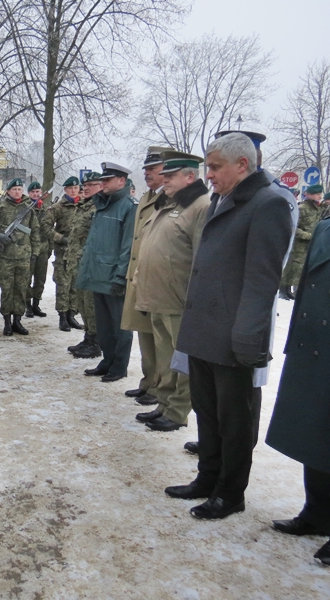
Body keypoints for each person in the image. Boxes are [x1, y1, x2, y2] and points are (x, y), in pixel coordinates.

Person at [166, 133, 292, 520]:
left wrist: (247, 338)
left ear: (242, 165)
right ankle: (208, 478)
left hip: (234, 336)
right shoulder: (224, 198)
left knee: (234, 422)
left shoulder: (268, 205)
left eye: (216, 167)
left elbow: (261, 281)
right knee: (207, 411)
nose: (209, 174)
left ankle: (229, 492)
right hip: (204, 328)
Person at [266, 215, 330, 566]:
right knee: (314, 433)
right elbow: (307, 284)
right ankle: (317, 512)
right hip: (315, 342)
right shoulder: (325, 224)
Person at [132, 152, 211, 432]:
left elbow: (202, 257)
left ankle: (177, 411)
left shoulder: (200, 206)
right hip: (157, 296)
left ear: (190, 176)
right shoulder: (169, 204)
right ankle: (163, 403)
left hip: (180, 299)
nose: (163, 180)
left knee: (183, 361)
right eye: (163, 175)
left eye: (170, 176)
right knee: (165, 358)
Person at [75, 163, 136, 382]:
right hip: (98, 275)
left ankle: (119, 366)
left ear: (121, 181)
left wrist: (121, 277)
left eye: (107, 180)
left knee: (120, 326)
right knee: (104, 325)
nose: (103, 184)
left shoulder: (129, 206)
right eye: (102, 180)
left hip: (113, 277)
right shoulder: (102, 205)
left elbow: (128, 246)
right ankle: (107, 360)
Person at [120, 147, 171, 405]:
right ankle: (148, 382)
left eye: (153, 169)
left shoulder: (171, 200)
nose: (147, 173)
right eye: (146, 169)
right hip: (140, 275)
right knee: (144, 333)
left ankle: (160, 388)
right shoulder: (147, 196)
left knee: (160, 339)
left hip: (158, 278)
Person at [0, 178, 40, 336]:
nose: (17, 192)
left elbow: (35, 231)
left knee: (21, 289)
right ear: (8, 191)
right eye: (14, 189)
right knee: (7, 289)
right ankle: (7, 321)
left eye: (20, 189)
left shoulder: (28, 208)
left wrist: (35, 252)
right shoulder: (0, 206)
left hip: (24, 256)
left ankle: (18, 320)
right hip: (5, 256)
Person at [66, 172, 102, 359]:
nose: (85, 188)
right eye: (84, 185)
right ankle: (88, 337)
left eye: (91, 185)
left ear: (101, 186)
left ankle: (95, 342)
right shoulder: (83, 206)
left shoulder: (99, 207)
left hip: (89, 265)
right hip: (77, 264)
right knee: (81, 302)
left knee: (90, 304)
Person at [42, 176, 80, 331]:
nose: (73, 191)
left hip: (79, 253)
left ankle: (72, 315)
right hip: (63, 252)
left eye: (76, 188)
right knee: (63, 285)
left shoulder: (84, 206)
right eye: (70, 188)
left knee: (75, 285)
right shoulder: (58, 207)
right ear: (65, 190)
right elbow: (45, 226)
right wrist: (60, 238)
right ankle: (63, 317)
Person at [281, 184, 323, 299]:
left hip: (309, 245)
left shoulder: (317, 208)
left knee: (301, 269)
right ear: (309, 195)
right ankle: (284, 290)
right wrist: (308, 236)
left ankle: (292, 290)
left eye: (320, 194)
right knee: (293, 267)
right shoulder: (302, 208)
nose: (320, 196)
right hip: (298, 244)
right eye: (317, 194)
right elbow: (293, 226)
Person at [24, 182, 49, 318]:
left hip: (43, 249)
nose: (36, 194)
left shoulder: (45, 208)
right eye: (33, 192)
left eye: (38, 191)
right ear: (29, 194)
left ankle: (36, 304)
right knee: (27, 278)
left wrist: (49, 248)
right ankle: (27, 305)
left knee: (40, 279)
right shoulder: (25, 208)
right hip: (29, 248)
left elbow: (50, 229)